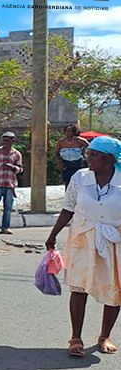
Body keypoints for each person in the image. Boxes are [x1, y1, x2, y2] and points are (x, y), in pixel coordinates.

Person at [45, 136, 121, 357]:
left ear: (109, 159)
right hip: (82, 238)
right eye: (88, 154)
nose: (89, 158)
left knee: (114, 289)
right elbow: (68, 208)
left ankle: (104, 336)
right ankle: (75, 337)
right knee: (79, 287)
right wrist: (53, 234)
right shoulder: (80, 177)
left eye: (94, 155)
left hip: (113, 241)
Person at [56, 123, 89, 189]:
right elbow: (57, 153)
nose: (67, 133)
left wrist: (87, 157)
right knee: (68, 183)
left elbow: (90, 148)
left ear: (74, 132)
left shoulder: (80, 141)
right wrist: (60, 163)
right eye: (66, 131)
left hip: (77, 164)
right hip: (66, 165)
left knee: (78, 182)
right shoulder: (61, 142)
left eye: (69, 131)